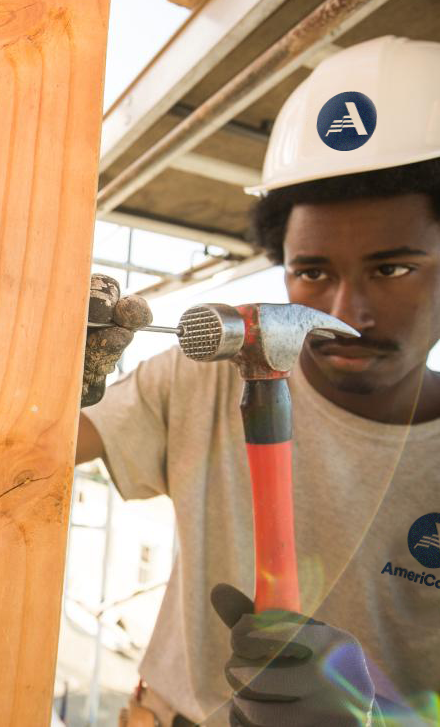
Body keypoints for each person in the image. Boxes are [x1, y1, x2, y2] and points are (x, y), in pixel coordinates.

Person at [77, 36, 440, 726]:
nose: (344, 313)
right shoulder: (204, 380)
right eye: (312, 272)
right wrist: (35, 373)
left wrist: (379, 717)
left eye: (392, 270)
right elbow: (33, 448)